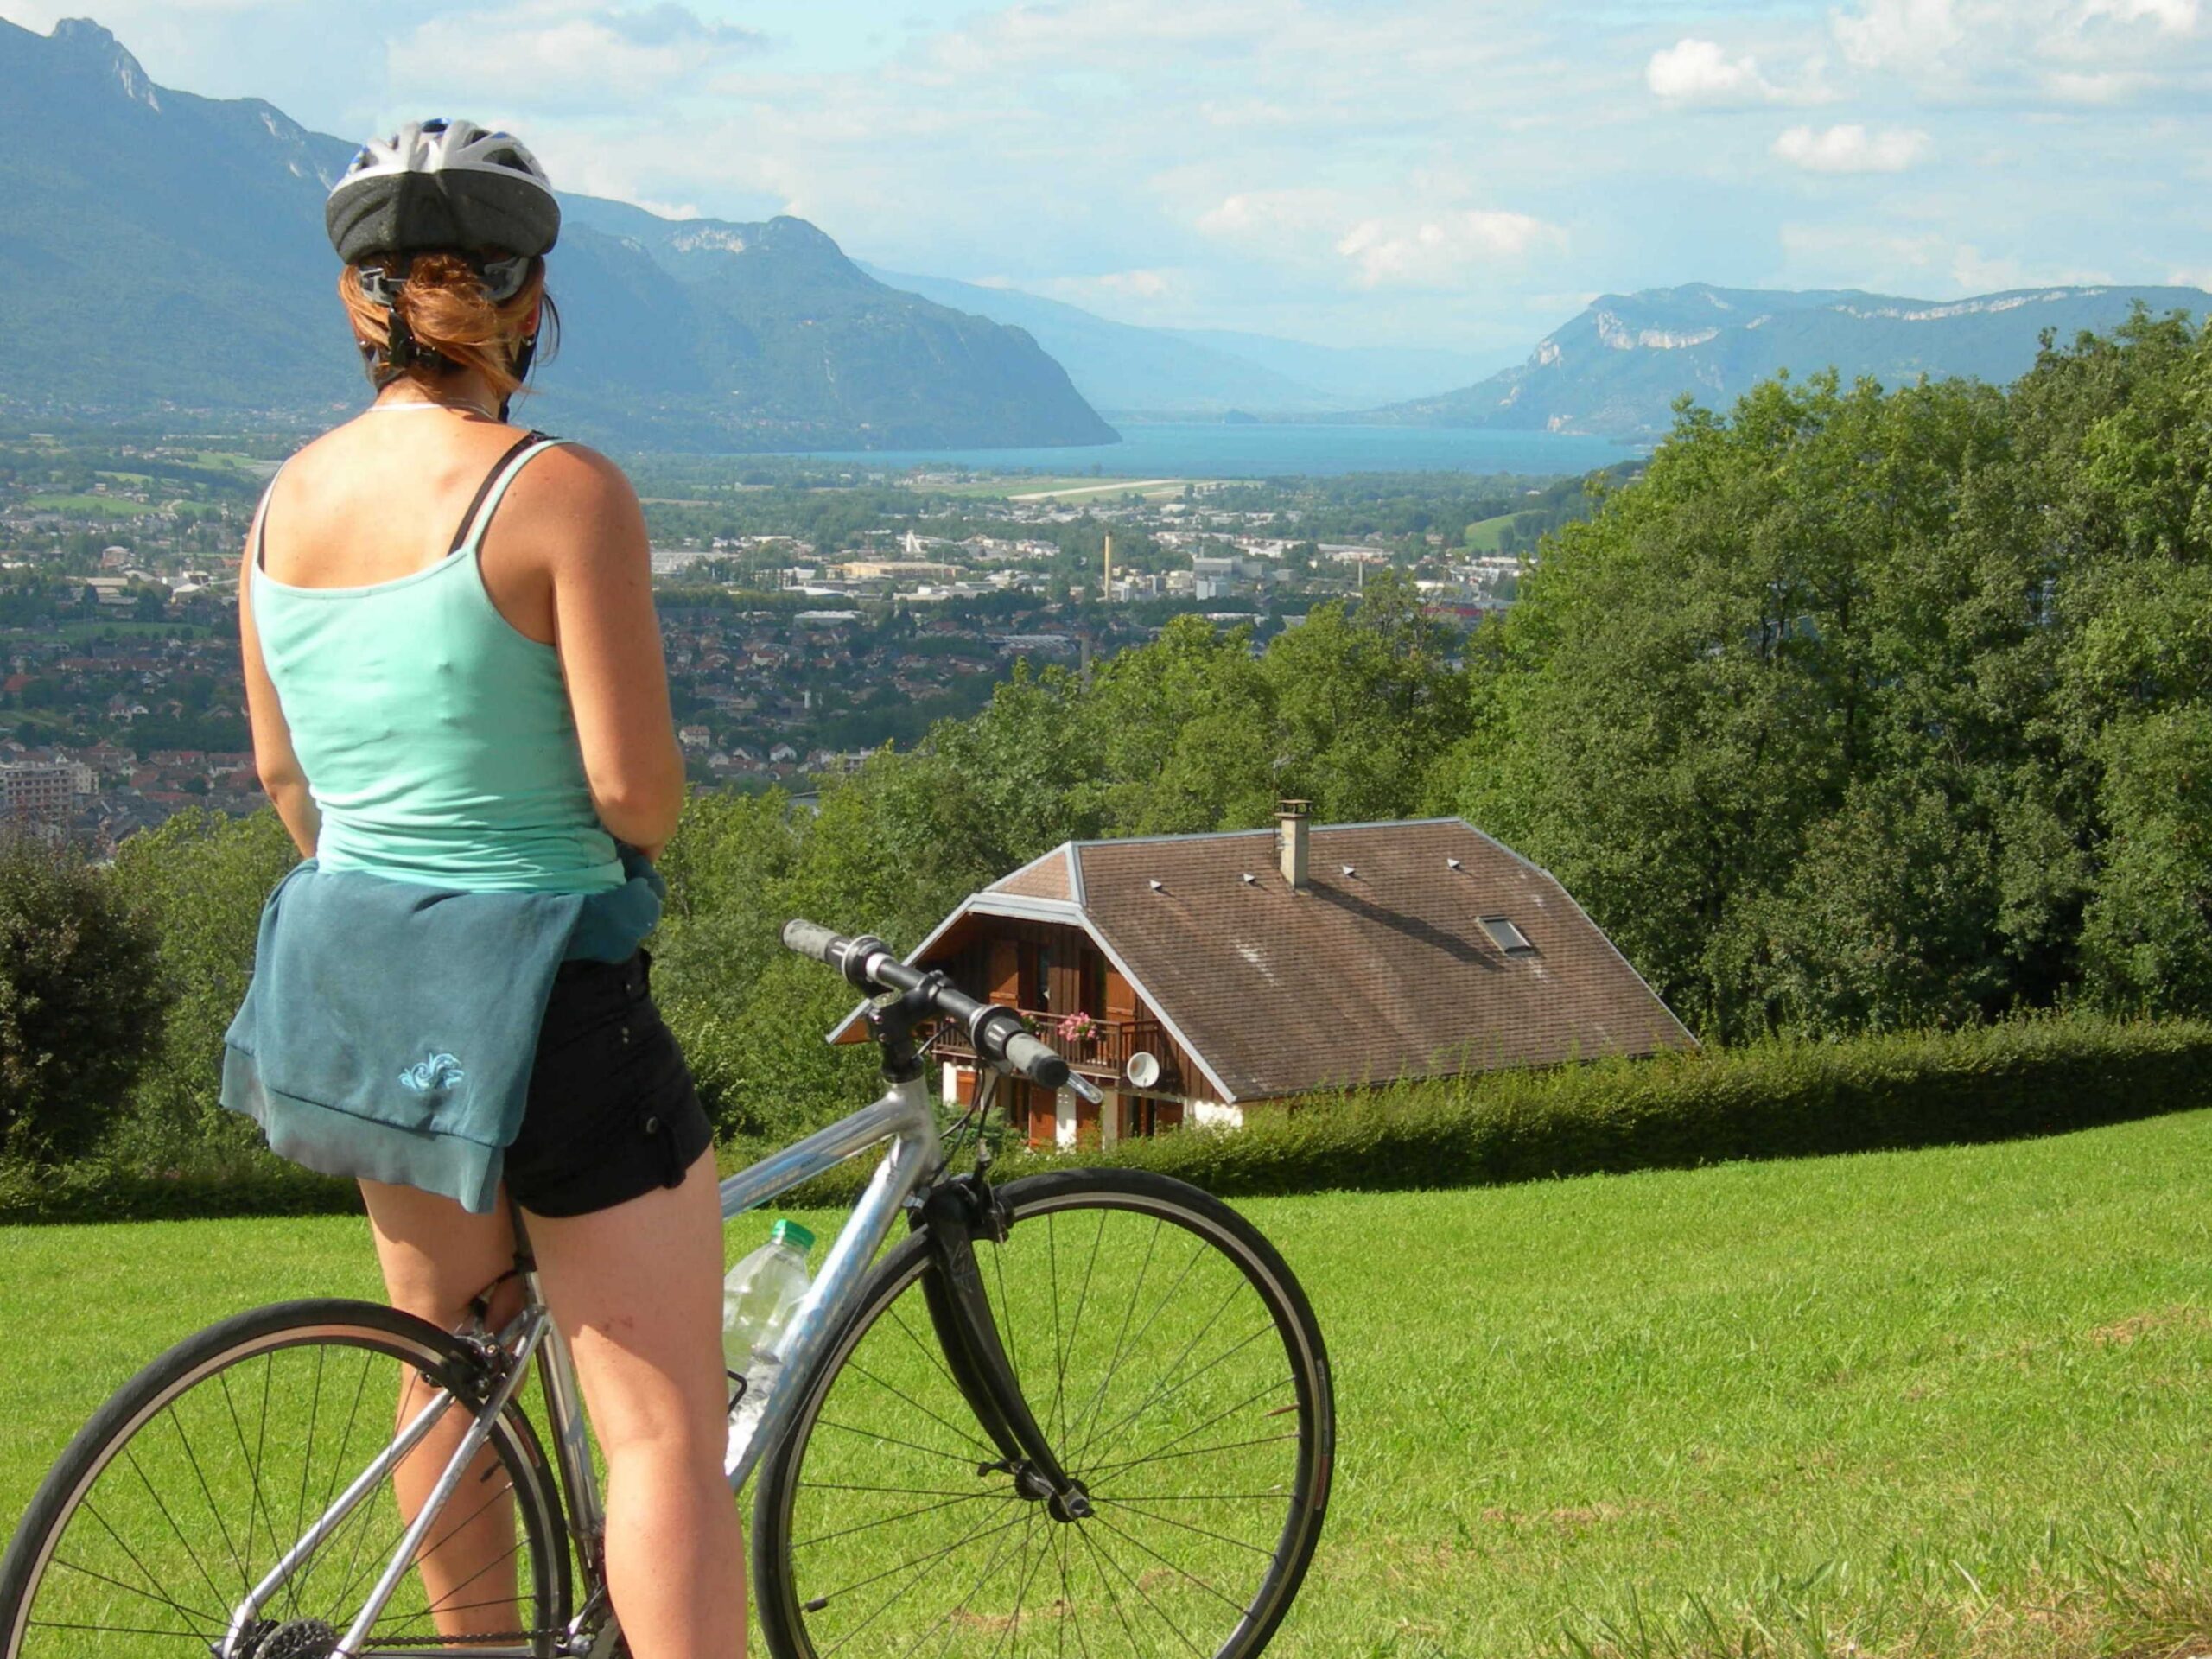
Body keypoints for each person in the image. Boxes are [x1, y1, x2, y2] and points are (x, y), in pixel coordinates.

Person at [226, 119, 746, 1658]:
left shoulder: (278, 507)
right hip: (553, 991)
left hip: (368, 980)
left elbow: (285, 783)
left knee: (444, 1357)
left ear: (356, 302)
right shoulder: (558, 491)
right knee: (656, 1430)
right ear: (526, 305)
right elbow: (635, 794)